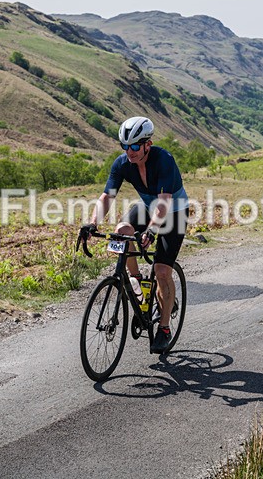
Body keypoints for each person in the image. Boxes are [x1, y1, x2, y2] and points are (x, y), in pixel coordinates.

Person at [83, 116, 189, 354]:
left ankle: (163, 328)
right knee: (121, 232)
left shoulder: (164, 160)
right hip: (149, 208)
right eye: (124, 146)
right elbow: (107, 196)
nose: (128, 152)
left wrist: (151, 230)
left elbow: (164, 204)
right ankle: (137, 282)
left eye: (133, 146)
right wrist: (92, 223)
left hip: (174, 212)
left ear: (147, 145)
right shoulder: (122, 164)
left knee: (162, 271)